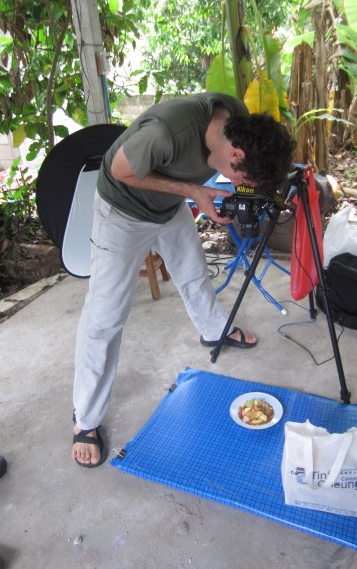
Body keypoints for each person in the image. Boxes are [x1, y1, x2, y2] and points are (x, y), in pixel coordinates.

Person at [72, 92, 295, 468]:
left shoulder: (237, 120)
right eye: (245, 181)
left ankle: (214, 329)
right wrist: (194, 191)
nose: (244, 188)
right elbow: (120, 171)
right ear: (235, 156)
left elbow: (220, 181)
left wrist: (211, 196)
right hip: (122, 211)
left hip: (168, 205)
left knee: (193, 271)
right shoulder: (166, 132)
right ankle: (85, 418)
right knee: (105, 317)